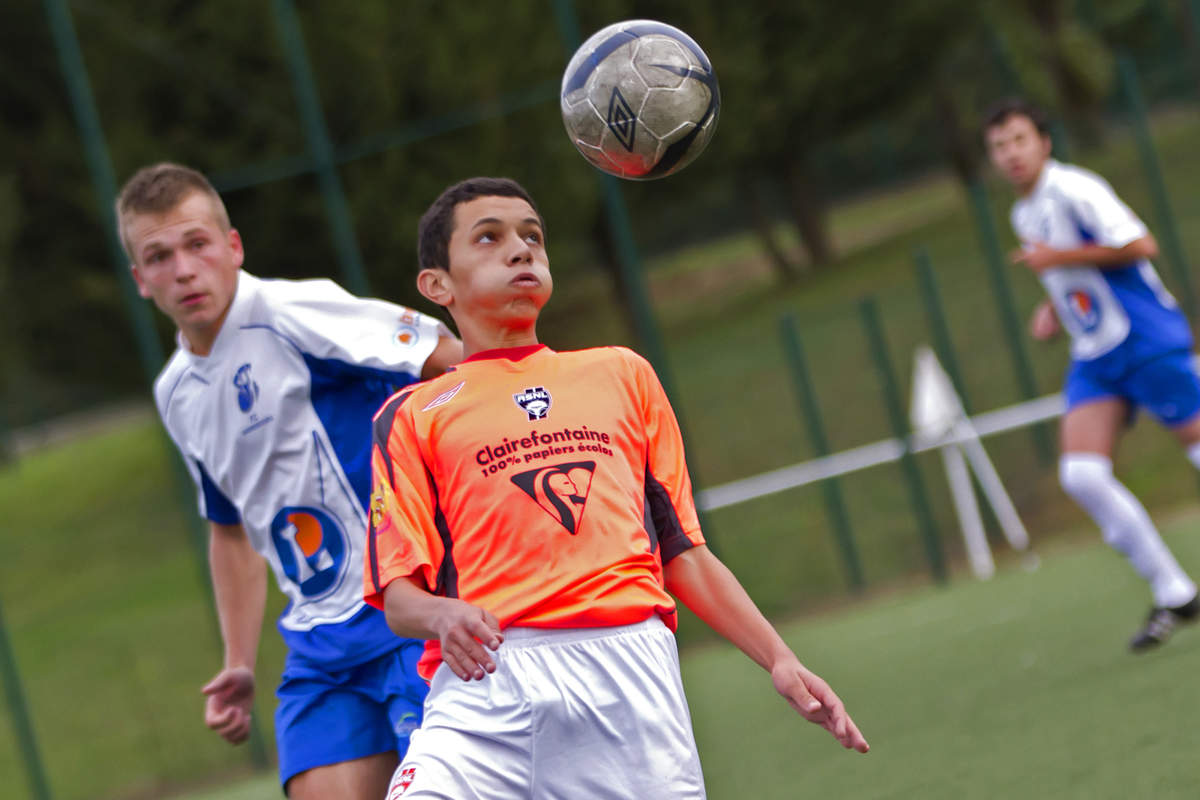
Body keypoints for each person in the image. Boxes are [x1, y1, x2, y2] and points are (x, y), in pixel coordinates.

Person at [365, 176, 869, 798]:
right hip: (488, 678)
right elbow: (399, 598)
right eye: (489, 238)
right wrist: (443, 614)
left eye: (533, 237)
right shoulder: (414, 415)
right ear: (436, 285)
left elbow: (683, 553)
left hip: (628, 679)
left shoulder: (623, 375)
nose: (521, 250)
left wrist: (780, 658)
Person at [116, 162, 462, 798]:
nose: (184, 269)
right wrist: (238, 662)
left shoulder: (292, 313)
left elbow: (449, 359)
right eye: (159, 256)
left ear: (233, 246)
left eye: (197, 244)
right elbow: (229, 529)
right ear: (140, 280)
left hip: (412, 615)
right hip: (321, 646)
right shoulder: (177, 394)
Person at [984, 99, 1200, 651]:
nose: (1010, 154)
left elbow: (1138, 244)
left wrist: (1056, 263)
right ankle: (1175, 592)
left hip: (1144, 339)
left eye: (1018, 140)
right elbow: (1073, 273)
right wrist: (1054, 307)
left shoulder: (1074, 188)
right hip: (1097, 354)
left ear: (1045, 142)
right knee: (1082, 474)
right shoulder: (1023, 212)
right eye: (999, 146)